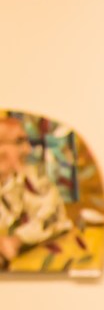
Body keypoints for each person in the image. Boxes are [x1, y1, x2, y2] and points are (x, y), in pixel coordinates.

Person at [0, 115, 75, 268]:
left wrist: (16, 240)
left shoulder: (35, 179)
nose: (28, 150)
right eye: (19, 142)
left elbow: (52, 218)